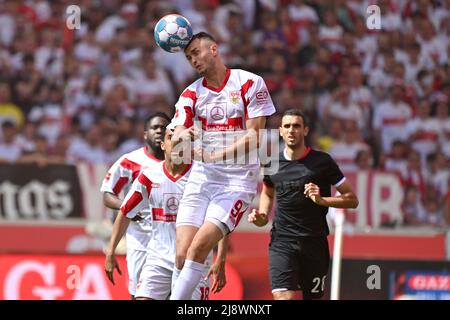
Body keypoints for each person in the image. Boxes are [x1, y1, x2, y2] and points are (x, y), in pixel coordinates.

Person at [169, 32, 276, 300]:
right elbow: (179, 128)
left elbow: (254, 137)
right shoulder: (191, 93)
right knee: (182, 254)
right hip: (203, 177)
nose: (193, 59)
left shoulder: (250, 83)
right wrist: (182, 135)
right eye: (189, 56)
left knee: (198, 248)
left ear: (213, 49)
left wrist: (216, 155)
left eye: (196, 52)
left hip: (237, 181)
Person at [248, 109, 359, 300]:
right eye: (287, 126)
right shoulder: (272, 162)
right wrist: (263, 216)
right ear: (281, 131)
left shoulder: (323, 162)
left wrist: (323, 200)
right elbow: (268, 190)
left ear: (305, 131)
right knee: (284, 297)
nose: (292, 130)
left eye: (297, 126)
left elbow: (352, 199)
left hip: (314, 242)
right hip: (282, 241)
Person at [105, 127, 225, 300]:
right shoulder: (149, 176)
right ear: (163, 145)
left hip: (194, 261)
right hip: (158, 258)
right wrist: (110, 251)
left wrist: (220, 259)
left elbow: (220, 220)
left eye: (183, 140)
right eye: (171, 138)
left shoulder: (202, 177)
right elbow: (125, 212)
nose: (177, 143)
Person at [102, 112, 170, 299]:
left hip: (170, 239)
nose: (159, 131)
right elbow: (108, 195)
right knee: (138, 294)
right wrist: (128, 205)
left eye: (163, 127)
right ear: (145, 134)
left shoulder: (180, 163)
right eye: (154, 127)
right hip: (140, 240)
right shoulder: (130, 161)